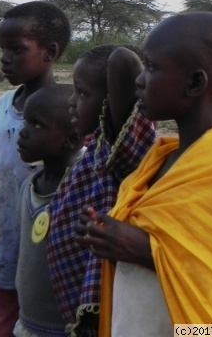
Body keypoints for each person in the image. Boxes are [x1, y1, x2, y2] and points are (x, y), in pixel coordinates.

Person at [78, 12, 212, 335]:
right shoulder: (158, 159)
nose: (140, 79)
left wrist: (144, 250)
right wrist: (105, 235)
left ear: (194, 83)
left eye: (152, 67)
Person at [0, 1, 71, 337]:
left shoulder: (69, 112)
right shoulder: (3, 107)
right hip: (10, 256)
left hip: (51, 264)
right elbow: (3, 183)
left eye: (16, 49)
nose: (4, 58)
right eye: (2, 49)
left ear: (50, 51)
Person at [47, 45, 156, 336]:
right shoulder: (92, 151)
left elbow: (122, 61)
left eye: (82, 93)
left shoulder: (121, 153)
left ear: (112, 102)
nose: (71, 102)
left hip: (103, 309)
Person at [13, 83, 81, 337]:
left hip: (65, 329)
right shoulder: (27, 187)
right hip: (27, 324)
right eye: (25, 122)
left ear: (71, 139)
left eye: (36, 125)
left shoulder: (79, 193)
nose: (23, 133)